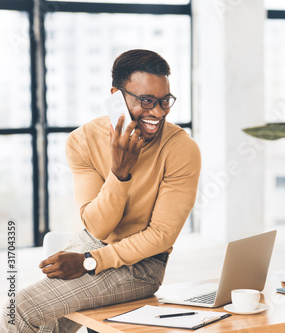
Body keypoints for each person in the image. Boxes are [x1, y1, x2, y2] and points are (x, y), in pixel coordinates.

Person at [1, 49, 201, 332]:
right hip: (92, 244)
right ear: (116, 96)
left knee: (20, 308)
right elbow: (97, 228)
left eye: (164, 101)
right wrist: (120, 174)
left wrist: (90, 262)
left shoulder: (181, 149)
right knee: (43, 323)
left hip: (143, 266)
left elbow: (161, 236)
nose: (157, 112)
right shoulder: (82, 141)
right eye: (146, 101)